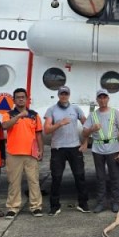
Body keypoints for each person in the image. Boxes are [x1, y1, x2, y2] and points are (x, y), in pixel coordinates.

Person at [44, 86, 89, 215]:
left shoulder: (76, 109)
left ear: (69, 95)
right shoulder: (51, 110)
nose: (64, 96)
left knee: (80, 176)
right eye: (62, 94)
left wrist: (85, 142)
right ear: (58, 95)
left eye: (66, 94)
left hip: (74, 147)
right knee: (56, 177)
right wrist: (59, 124)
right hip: (58, 148)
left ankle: (83, 203)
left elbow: (87, 126)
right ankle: (54, 206)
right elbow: (47, 129)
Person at [1, 88, 44, 218]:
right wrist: (19, 116)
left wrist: (41, 150)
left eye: (23, 97)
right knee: (14, 182)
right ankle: (13, 207)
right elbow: (5, 126)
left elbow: (38, 133)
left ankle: (36, 206)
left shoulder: (34, 115)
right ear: (13, 100)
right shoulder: (8, 114)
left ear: (27, 99)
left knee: (34, 181)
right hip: (13, 153)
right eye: (18, 97)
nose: (20, 99)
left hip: (31, 153)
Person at [82, 89, 119, 213]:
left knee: (114, 176)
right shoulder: (93, 115)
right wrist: (91, 129)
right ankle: (101, 203)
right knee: (100, 177)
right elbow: (84, 132)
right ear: (97, 100)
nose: (102, 100)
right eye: (100, 98)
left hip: (113, 149)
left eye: (104, 97)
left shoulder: (115, 113)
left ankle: (115, 202)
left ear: (108, 98)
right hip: (98, 150)